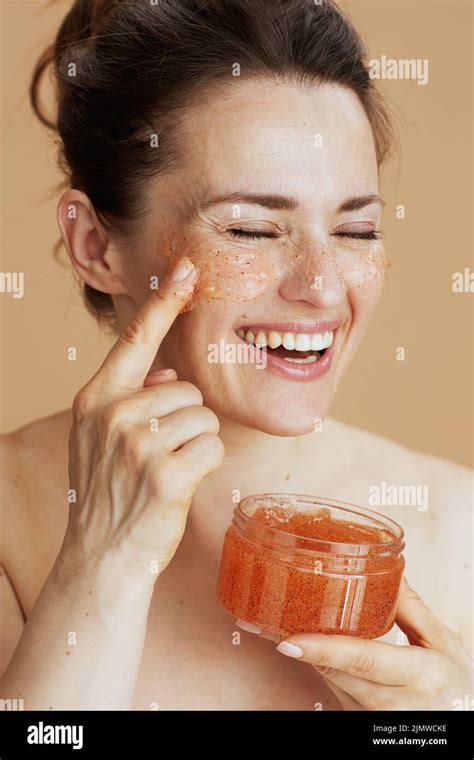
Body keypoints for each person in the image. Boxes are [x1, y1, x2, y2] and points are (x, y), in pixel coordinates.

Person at [0, 0, 472, 711]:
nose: (320, 287)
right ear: (96, 244)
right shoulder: (11, 522)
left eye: (357, 230)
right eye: (252, 230)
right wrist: (101, 565)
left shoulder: (459, 525)